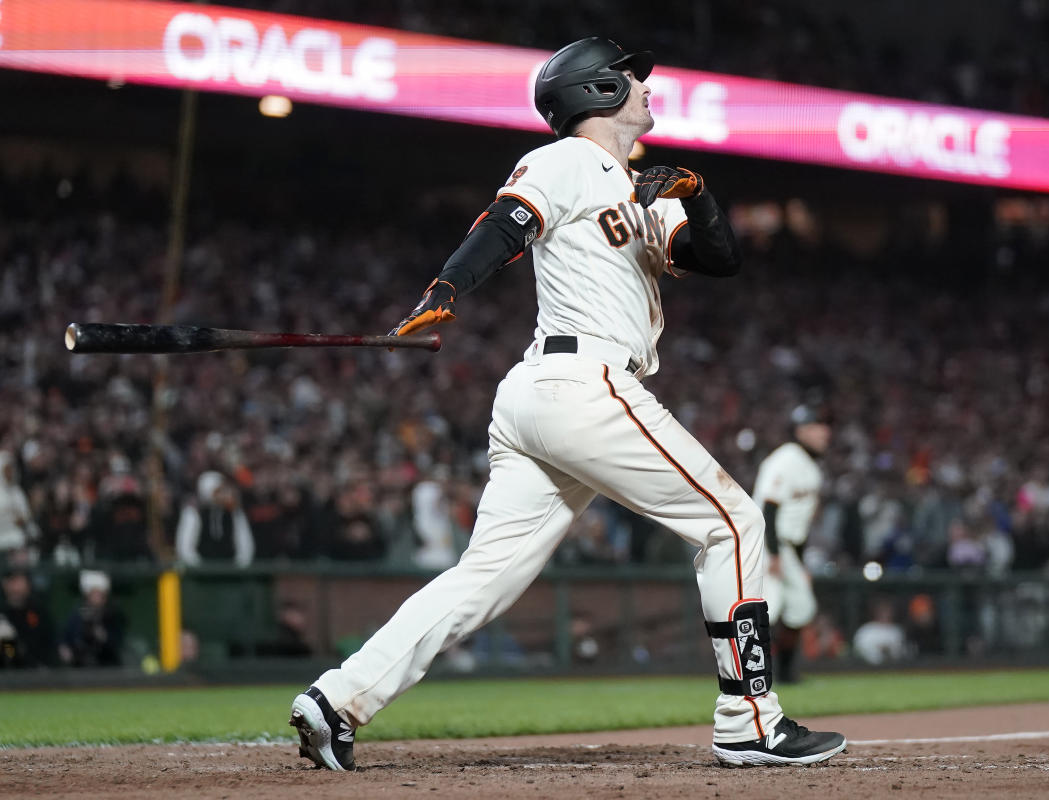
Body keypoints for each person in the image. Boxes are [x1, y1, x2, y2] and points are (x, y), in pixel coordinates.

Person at [287, 36, 845, 771]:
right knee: (734, 522)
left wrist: (698, 196)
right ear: (596, 94)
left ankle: (337, 699)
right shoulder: (567, 160)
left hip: (546, 399)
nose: (643, 85)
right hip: (583, 384)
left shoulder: (635, 185)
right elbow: (507, 225)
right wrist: (446, 291)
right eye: (627, 77)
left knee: (482, 579)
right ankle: (750, 720)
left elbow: (720, 260)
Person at [751, 404, 831, 683]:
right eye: (818, 426)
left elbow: (800, 525)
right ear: (802, 431)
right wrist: (772, 554)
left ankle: (784, 674)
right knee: (769, 609)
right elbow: (769, 509)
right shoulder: (785, 459)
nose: (825, 432)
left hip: (786, 547)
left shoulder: (811, 466)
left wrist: (799, 561)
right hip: (767, 543)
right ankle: (755, 675)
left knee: (799, 607)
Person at [175, 471, 255, 567]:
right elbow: (185, 548)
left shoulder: (234, 512)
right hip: (201, 572)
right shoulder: (194, 512)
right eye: (218, 490)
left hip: (230, 570)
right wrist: (200, 567)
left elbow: (245, 544)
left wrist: (238, 566)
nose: (224, 494)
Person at [60, 569, 126, 667]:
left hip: (107, 668)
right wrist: (64, 648)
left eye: (100, 594)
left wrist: (104, 637)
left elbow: (118, 642)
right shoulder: (77, 615)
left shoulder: (112, 616)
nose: (97, 598)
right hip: (81, 668)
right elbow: (64, 638)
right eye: (94, 594)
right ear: (87, 595)